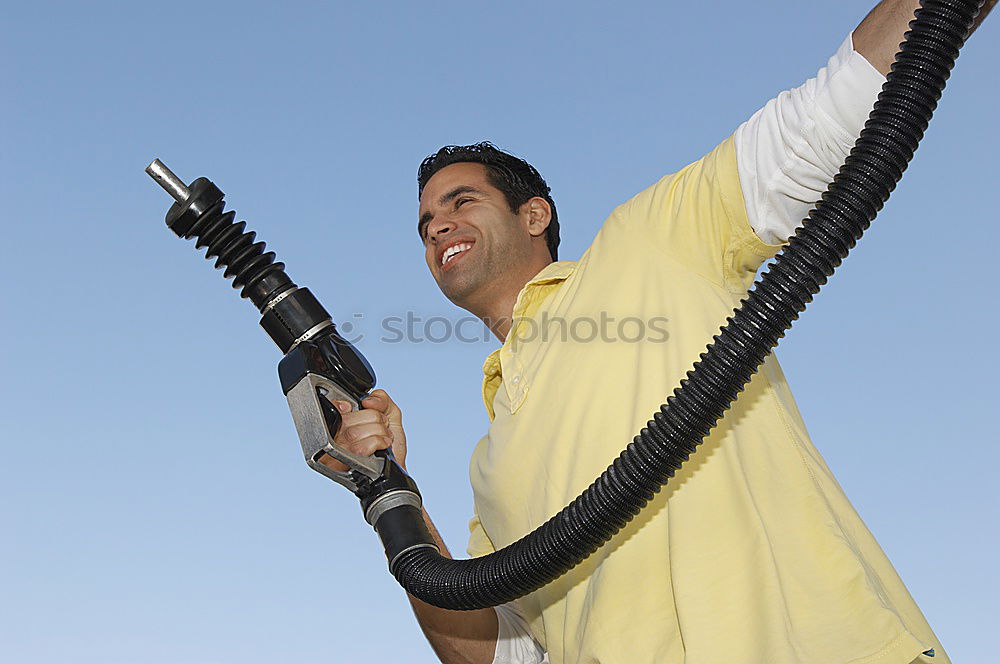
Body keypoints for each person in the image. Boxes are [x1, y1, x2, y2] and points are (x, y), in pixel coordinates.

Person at [326, 1, 995, 662]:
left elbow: (823, 118)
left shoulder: (648, 243)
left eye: (460, 201)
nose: (436, 226)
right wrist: (384, 486)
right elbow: (501, 654)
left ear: (534, 215)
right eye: (424, 225)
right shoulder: (491, 465)